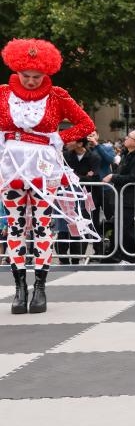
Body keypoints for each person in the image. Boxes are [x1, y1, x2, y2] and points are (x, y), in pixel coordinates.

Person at [0, 39, 96, 312]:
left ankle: (40, 288)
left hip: (44, 168)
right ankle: (19, 288)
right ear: (17, 71)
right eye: (26, 76)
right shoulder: (3, 93)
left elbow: (86, 124)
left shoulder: (57, 96)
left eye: (37, 76)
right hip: (10, 168)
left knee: (43, 226)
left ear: (46, 74)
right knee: (15, 227)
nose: (30, 81)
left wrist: (58, 138)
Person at [103, 129, 135, 264]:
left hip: (129, 198)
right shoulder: (127, 154)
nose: (126, 138)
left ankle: (130, 256)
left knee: (126, 227)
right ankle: (116, 254)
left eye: (129, 137)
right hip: (120, 196)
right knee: (119, 226)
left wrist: (113, 176)